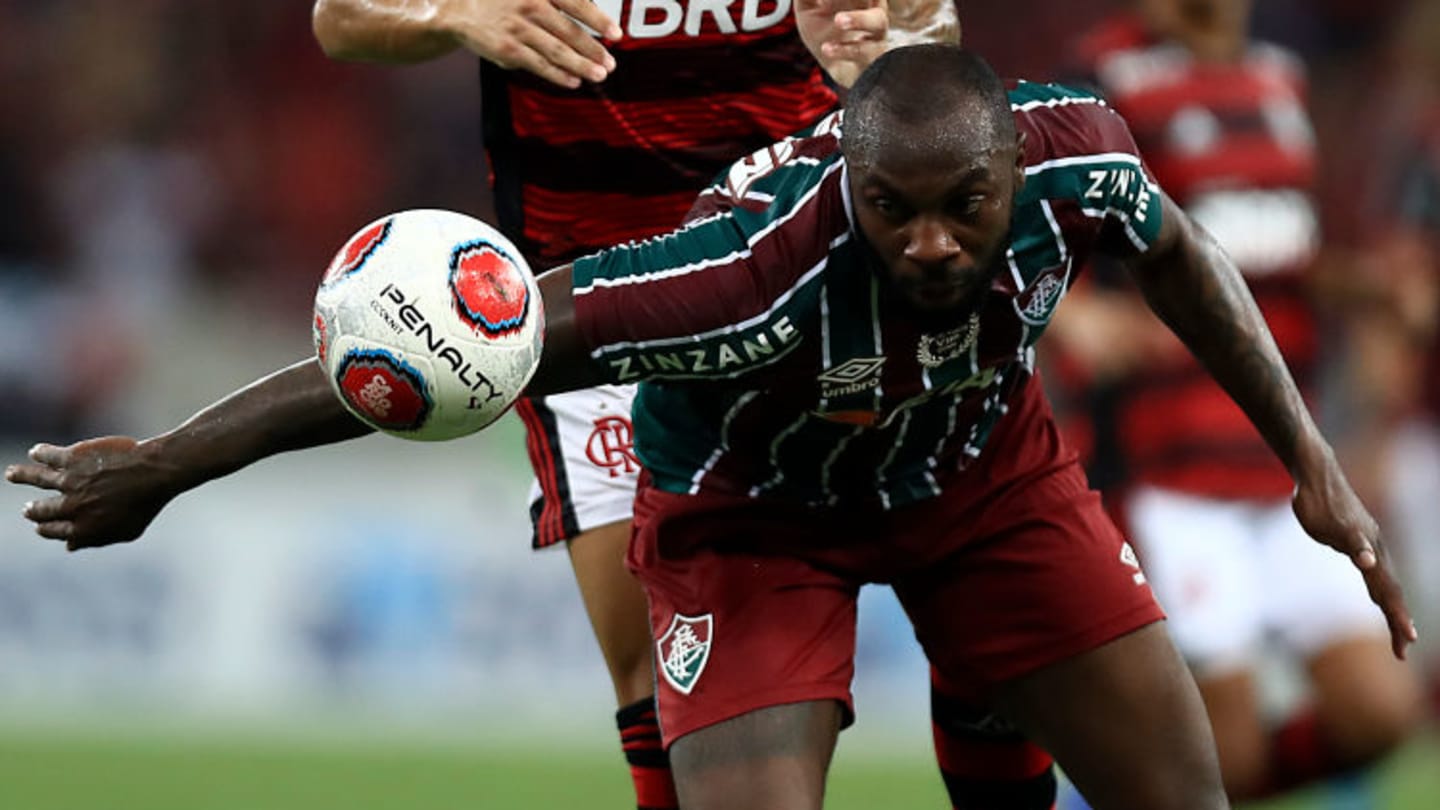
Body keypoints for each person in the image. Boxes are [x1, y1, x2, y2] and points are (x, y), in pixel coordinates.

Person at [7, 45, 1416, 810]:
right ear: (845, 184)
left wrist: (1318, 468)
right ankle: (977, 688)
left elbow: (1185, 260)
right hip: (753, 517)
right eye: (893, 209)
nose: (929, 243)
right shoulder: (735, 273)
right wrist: (169, 463)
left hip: (987, 481)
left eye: (962, 209)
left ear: (1012, 172)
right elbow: (466, 352)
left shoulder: (1080, 160)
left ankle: (982, 678)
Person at [304, 3, 976, 810]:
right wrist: (454, 11)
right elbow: (339, 18)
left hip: (801, 277)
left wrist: (893, 45)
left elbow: (933, 37)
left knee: (978, 615)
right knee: (661, 673)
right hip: (594, 307)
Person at [1045, 0, 1423, 800]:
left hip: (1285, 459)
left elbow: (1282, 248)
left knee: (1381, 709)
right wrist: (1074, 314)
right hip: (1169, 467)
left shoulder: (1276, 76)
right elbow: (1029, 225)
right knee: (1229, 750)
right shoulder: (1101, 79)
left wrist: (1371, 288)